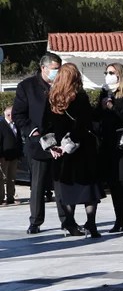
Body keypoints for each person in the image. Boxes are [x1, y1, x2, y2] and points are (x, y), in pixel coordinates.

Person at [13, 52, 79, 235]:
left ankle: (67, 221)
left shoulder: (63, 85)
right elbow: (19, 115)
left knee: (62, 184)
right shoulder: (27, 86)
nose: (57, 73)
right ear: (43, 68)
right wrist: (32, 131)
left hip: (60, 143)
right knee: (38, 184)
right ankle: (35, 221)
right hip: (38, 142)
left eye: (59, 69)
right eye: (54, 69)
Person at [43, 63, 103, 237]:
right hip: (82, 149)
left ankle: (70, 222)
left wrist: (53, 146)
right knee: (89, 189)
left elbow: (46, 124)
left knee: (68, 188)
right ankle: (91, 223)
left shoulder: (52, 97)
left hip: (62, 151)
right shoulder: (80, 97)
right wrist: (72, 142)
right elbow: (84, 124)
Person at [94, 62, 123, 234]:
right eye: (106, 72)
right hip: (108, 143)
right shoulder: (105, 93)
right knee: (113, 183)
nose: (108, 75)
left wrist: (113, 108)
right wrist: (102, 106)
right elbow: (98, 117)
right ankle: (119, 219)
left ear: (120, 74)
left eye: (111, 72)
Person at [1, 107, 22, 205]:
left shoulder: (15, 125)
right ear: (8, 115)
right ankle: (1, 198)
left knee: (12, 178)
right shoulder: (1, 125)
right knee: (2, 178)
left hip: (14, 156)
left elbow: (19, 140)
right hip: (4, 157)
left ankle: (10, 197)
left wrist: (19, 154)